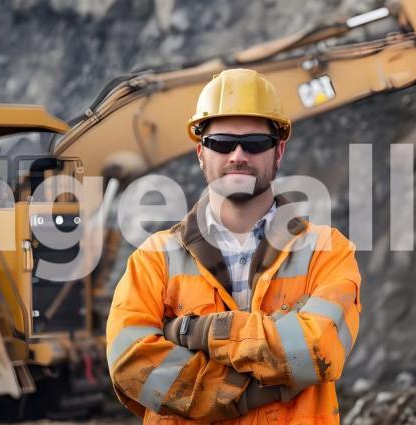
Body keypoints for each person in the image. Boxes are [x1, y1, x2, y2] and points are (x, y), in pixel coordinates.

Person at [105, 68, 362, 424]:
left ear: (279, 150)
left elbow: (318, 349)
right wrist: (249, 393)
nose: (238, 155)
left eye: (255, 143)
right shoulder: (153, 259)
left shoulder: (327, 251)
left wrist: (195, 332)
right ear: (201, 152)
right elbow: (130, 362)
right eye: (222, 143)